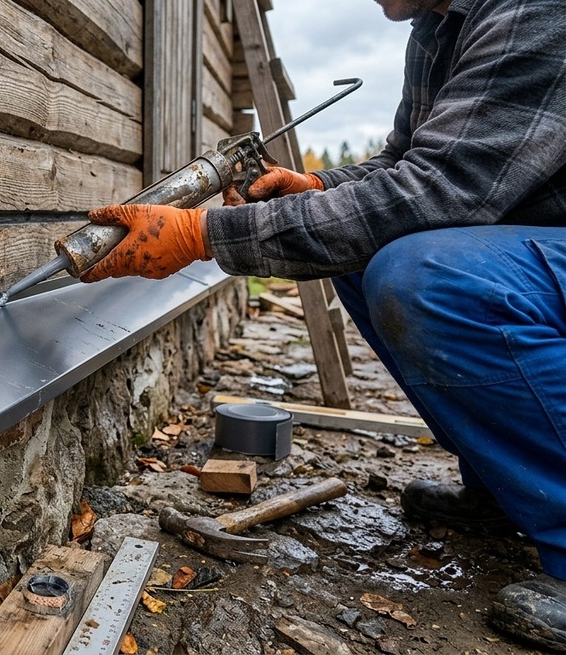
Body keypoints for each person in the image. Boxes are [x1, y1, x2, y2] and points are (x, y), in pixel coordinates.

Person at [79, 0, 566, 650]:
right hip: (533, 246)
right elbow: (405, 161)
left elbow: (444, 189)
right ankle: (508, 487)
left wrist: (203, 233)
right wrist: (317, 186)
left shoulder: (537, 12)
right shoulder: (437, 26)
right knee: (357, 247)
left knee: (423, 277)